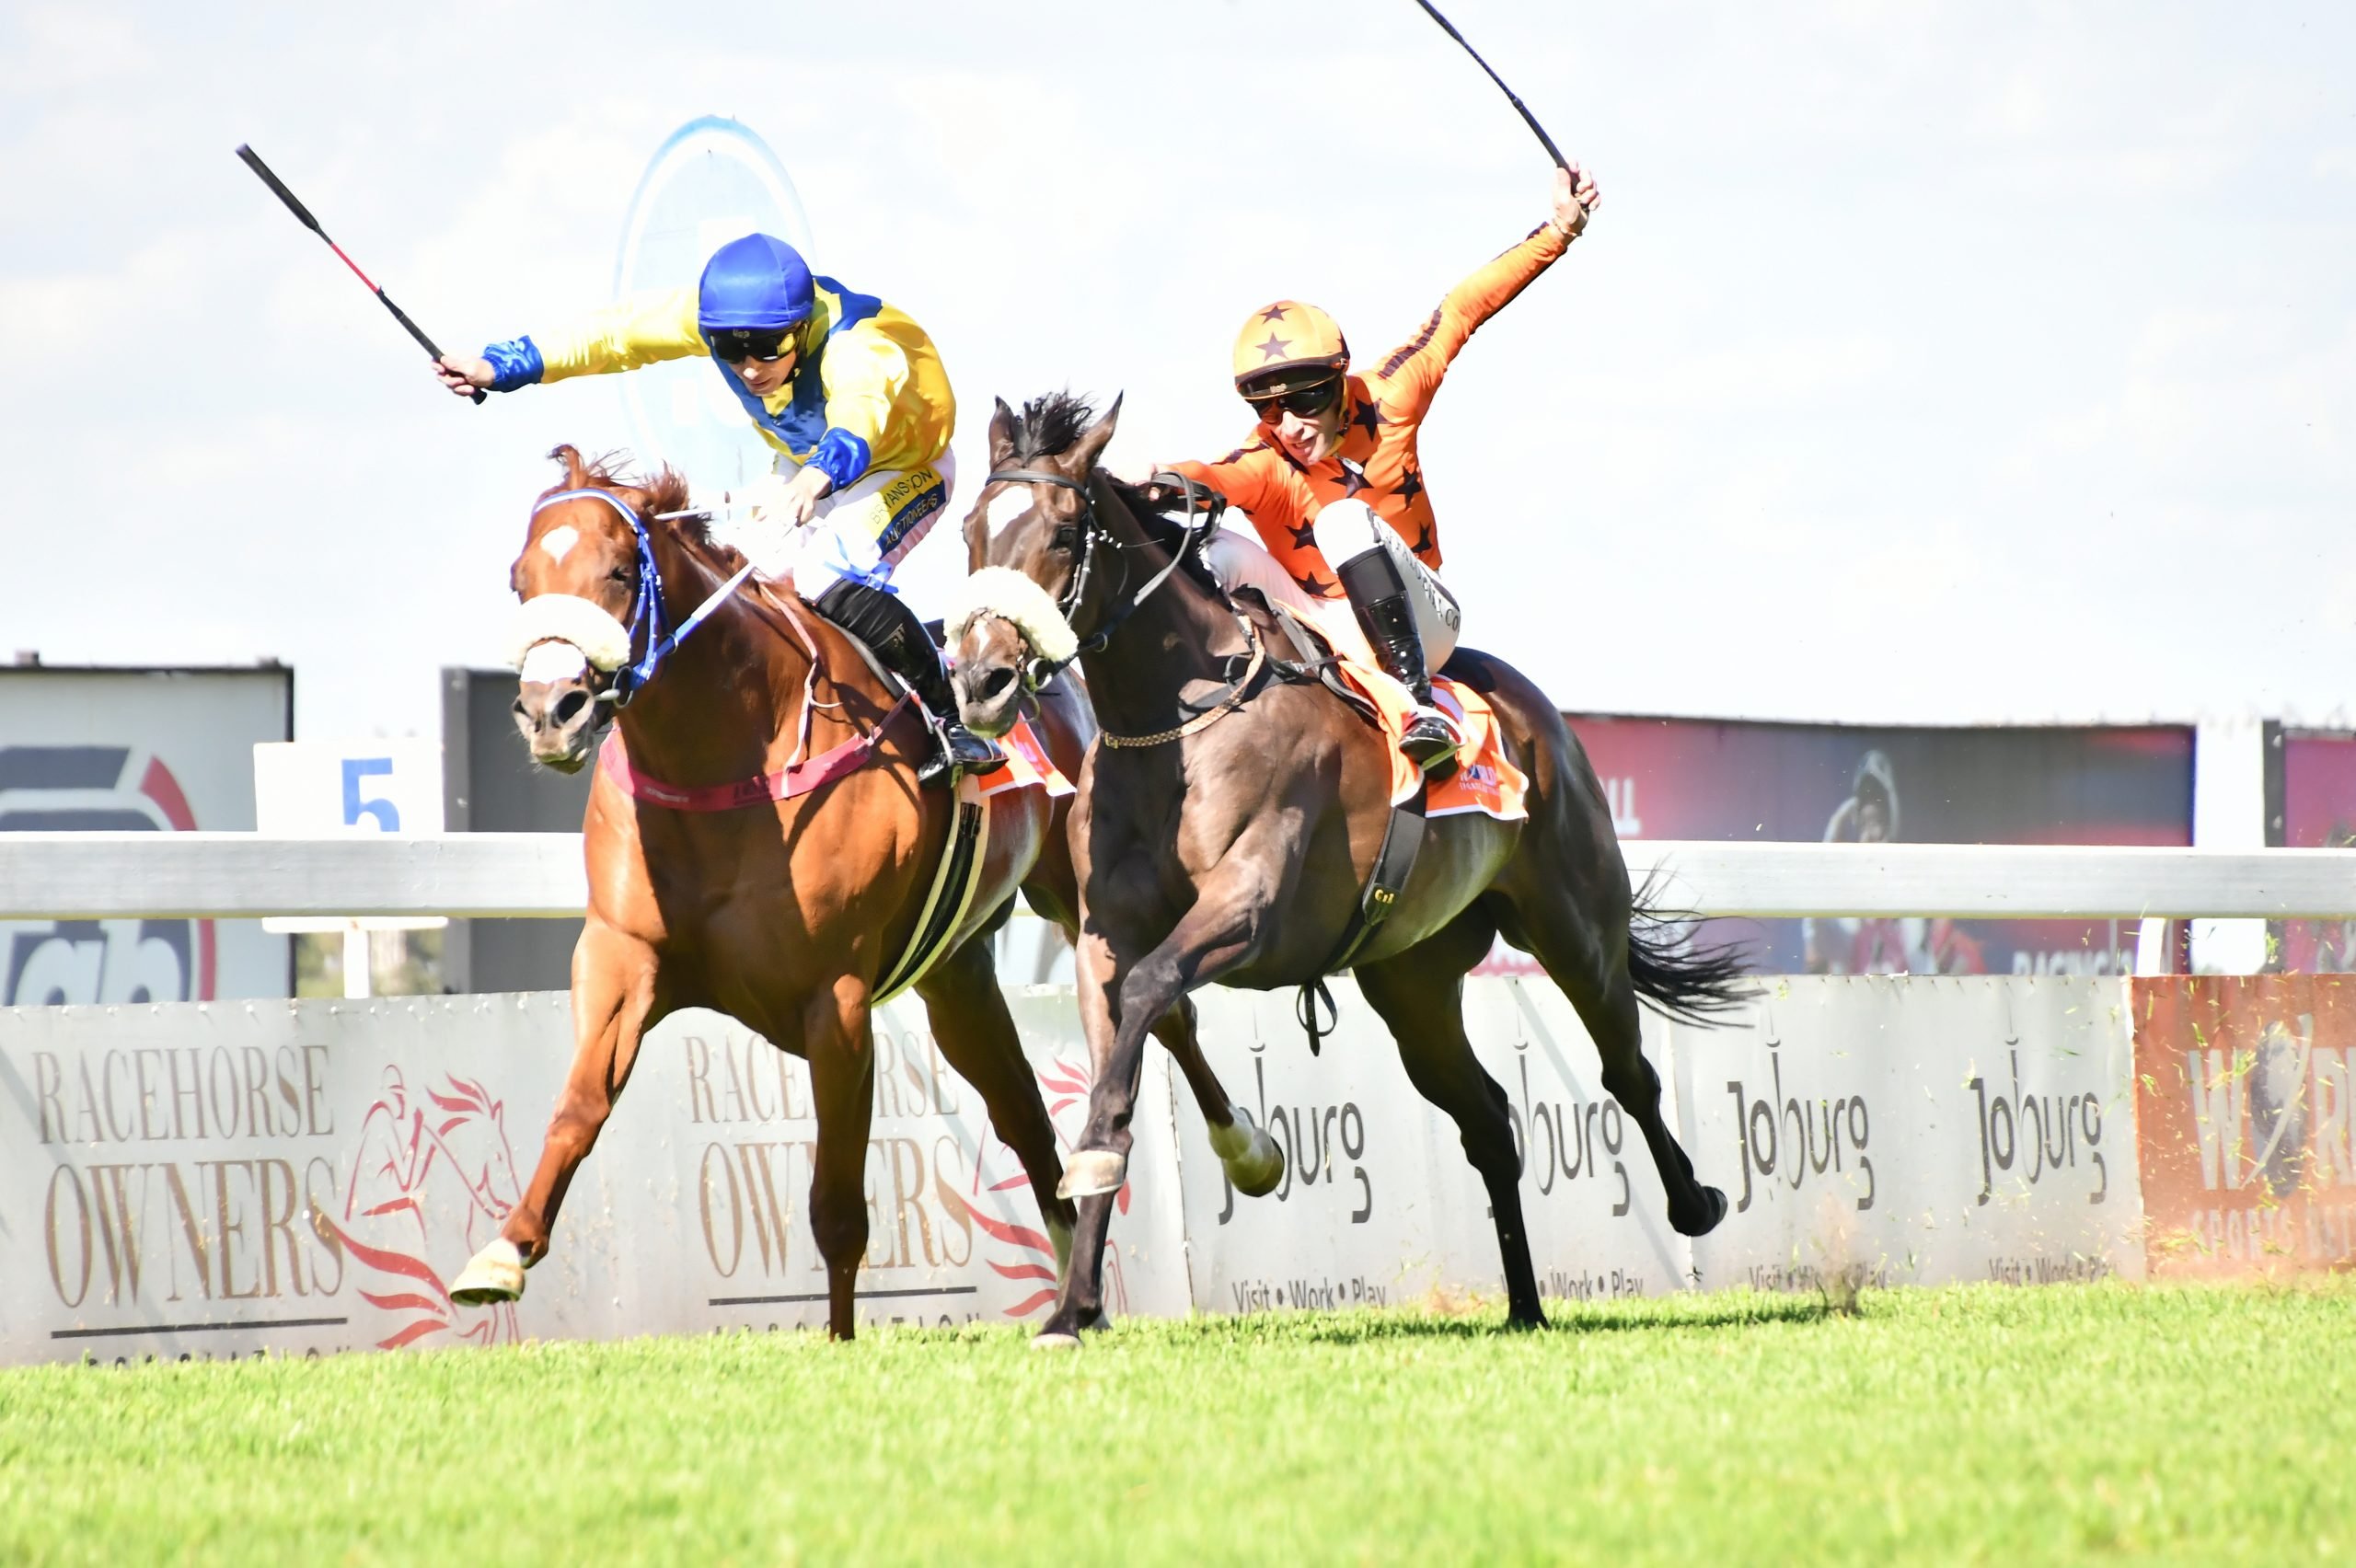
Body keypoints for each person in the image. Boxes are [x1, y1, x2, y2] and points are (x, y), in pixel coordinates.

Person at [433, 233, 997, 784]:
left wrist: (818, 477)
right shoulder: (718, 320)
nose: (750, 367)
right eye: (729, 351)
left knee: (823, 571)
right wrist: (500, 367)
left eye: (770, 348)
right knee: (739, 581)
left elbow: (860, 413)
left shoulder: (859, 348)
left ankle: (951, 717)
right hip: (800, 466)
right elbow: (613, 335)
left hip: (900, 469)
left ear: (802, 328)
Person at [1151, 164, 1600, 774]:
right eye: (1268, 407)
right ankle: (1184, 718)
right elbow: (1208, 474)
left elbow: (1461, 311)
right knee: (1214, 550)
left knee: (1342, 522)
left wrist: (1559, 230)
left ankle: (1418, 707)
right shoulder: (1266, 458)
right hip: (1318, 618)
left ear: (1340, 380)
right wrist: (1133, 483)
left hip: (1423, 619)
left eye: (1306, 398)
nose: (1290, 424)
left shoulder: (1394, 393)